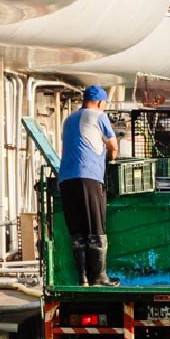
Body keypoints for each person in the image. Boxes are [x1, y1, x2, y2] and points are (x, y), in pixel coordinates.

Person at [57, 85, 118, 285]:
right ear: (100, 102)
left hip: (66, 181)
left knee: (78, 232)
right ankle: (100, 277)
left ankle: (82, 277)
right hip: (89, 178)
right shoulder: (98, 116)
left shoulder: (68, 120)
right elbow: (113, 146)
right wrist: (111, 160)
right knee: (96, 229)